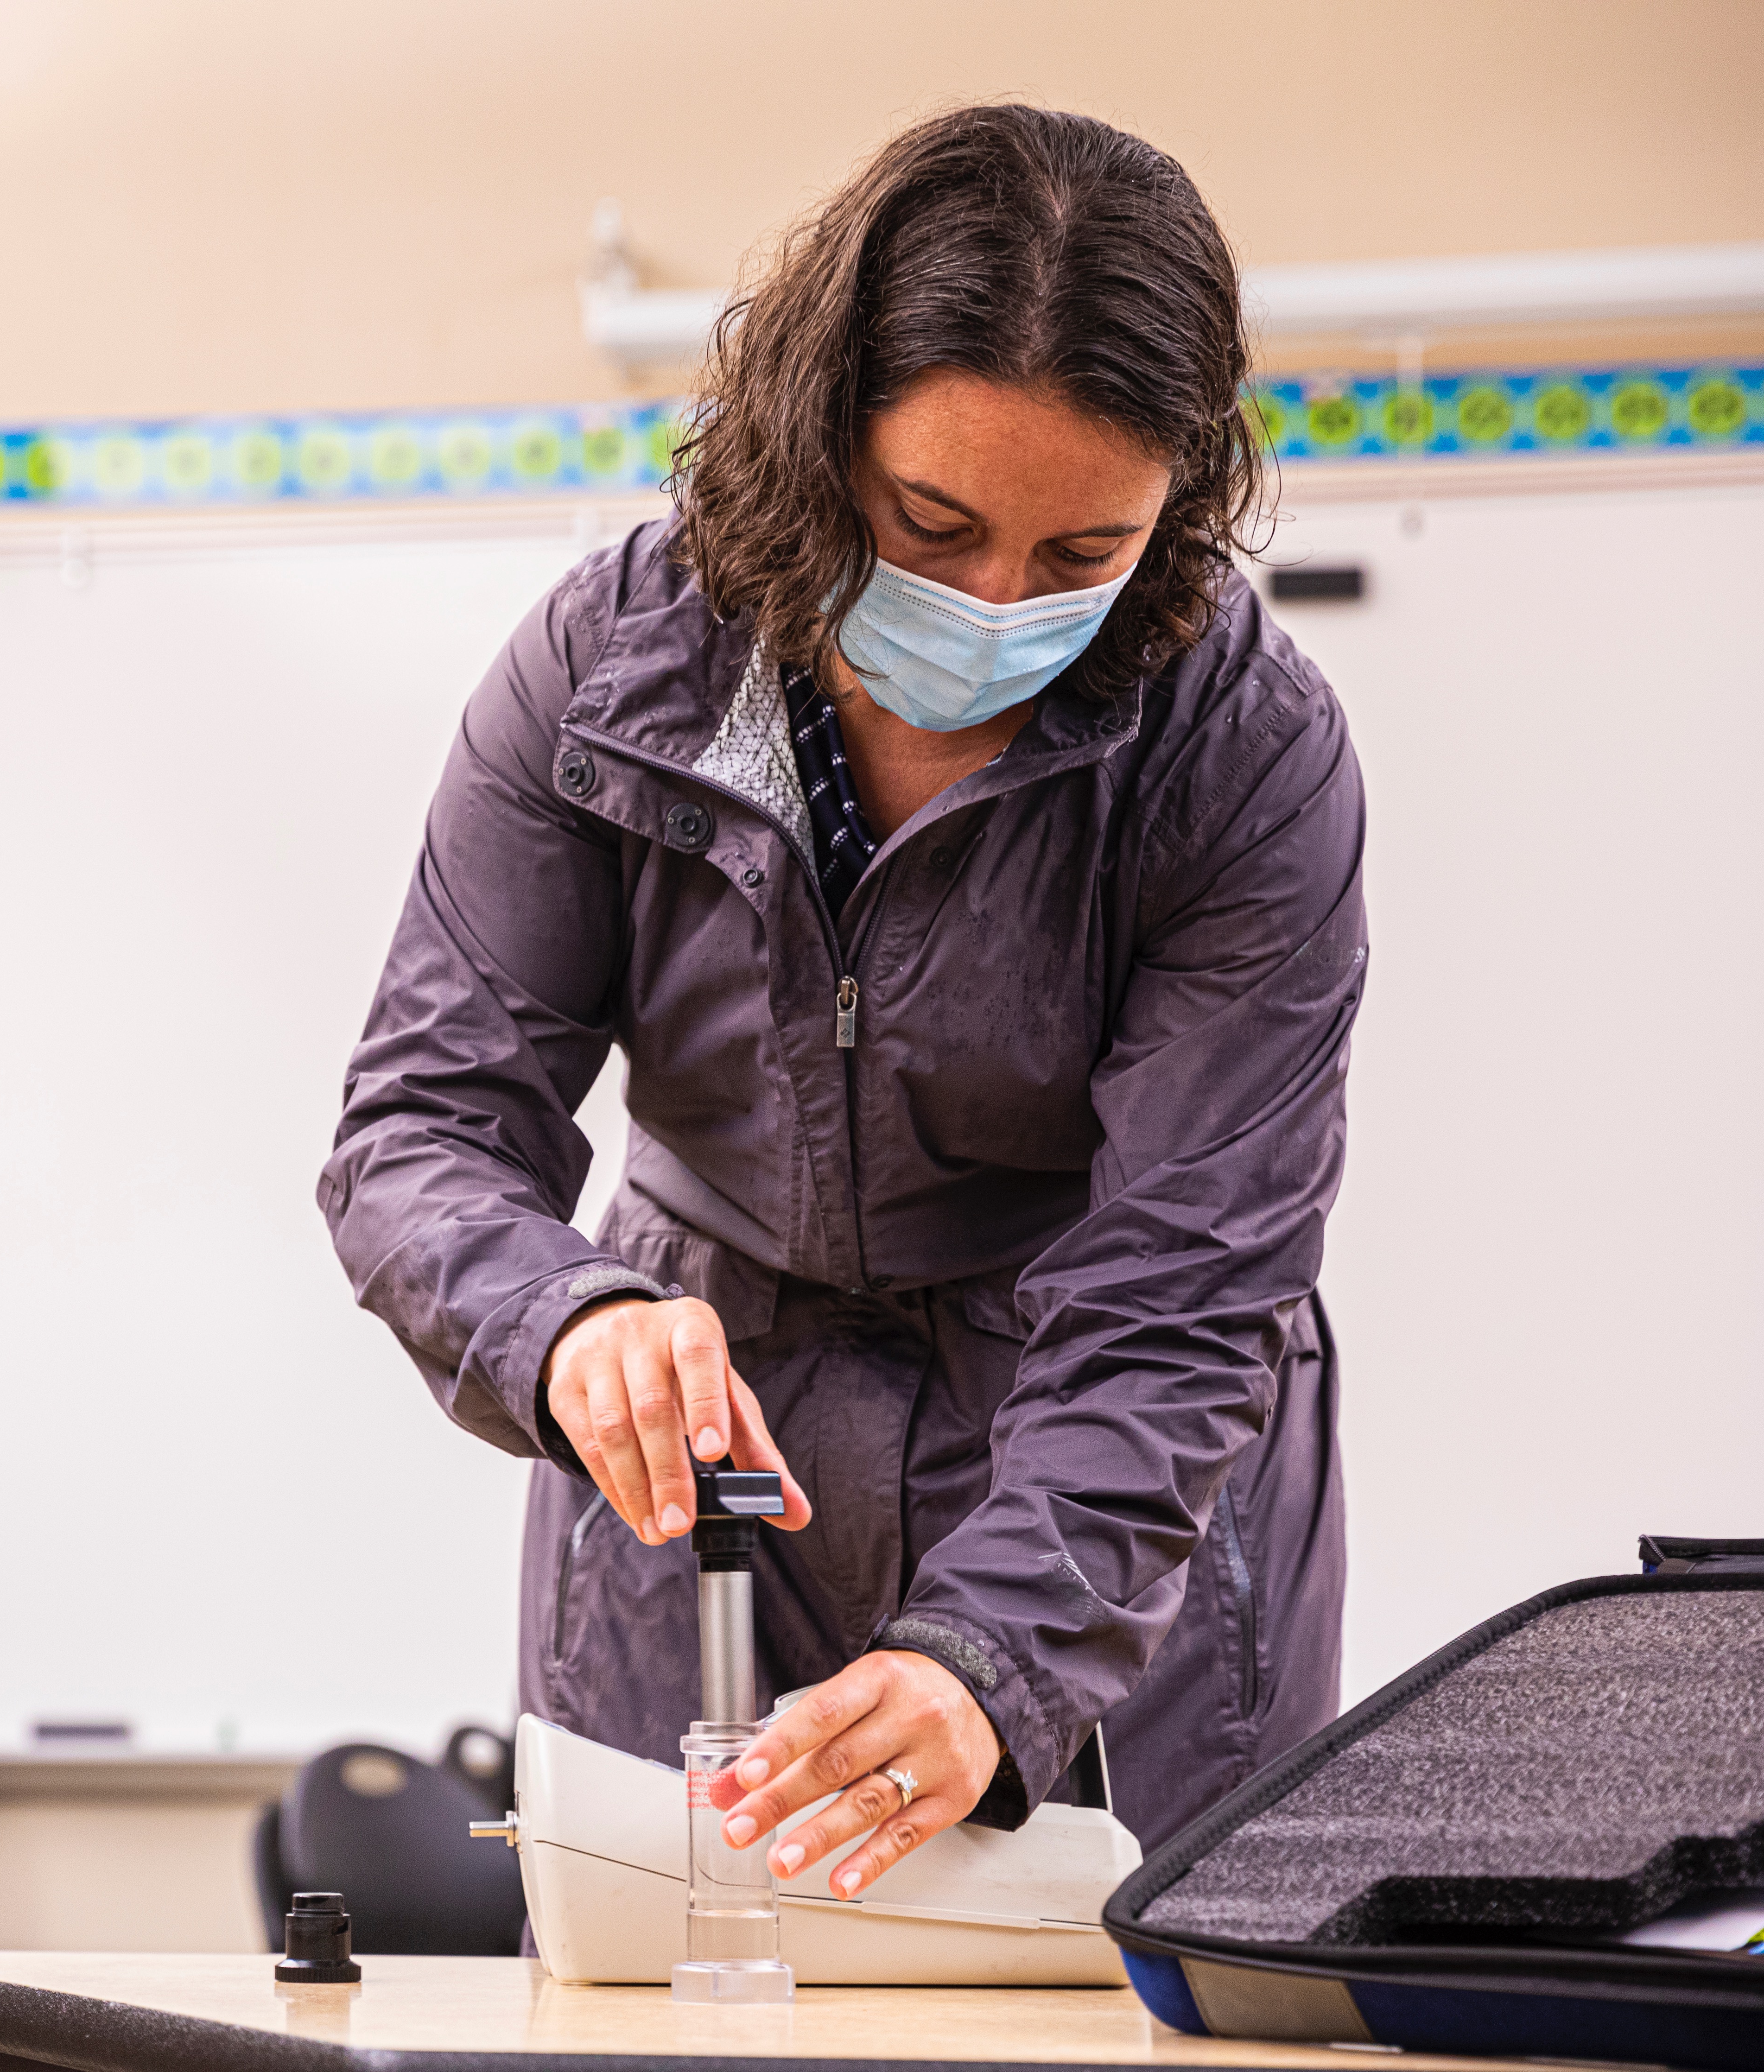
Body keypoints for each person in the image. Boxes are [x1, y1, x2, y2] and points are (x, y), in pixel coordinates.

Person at [321, 104, 1364, 1895]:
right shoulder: (605, 670)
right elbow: (419, 1134)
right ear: (822, 442)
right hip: (708, 1471)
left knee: (1124, 2002)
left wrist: (997, 1658)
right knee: (674, 1999)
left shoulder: (1245, 752)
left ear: (1172, 514)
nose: (992, 606)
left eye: (1078, 556)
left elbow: (1190, 1285)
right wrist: (570, 1318)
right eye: (933, 522)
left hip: (1109, 1480)